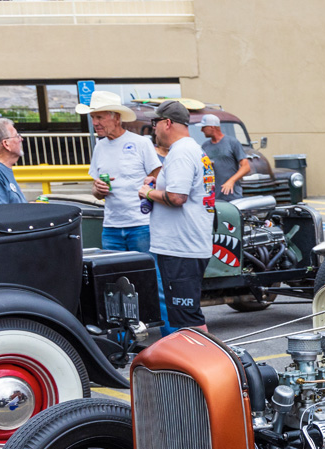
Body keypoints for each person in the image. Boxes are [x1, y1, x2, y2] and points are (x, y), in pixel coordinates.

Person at [138, 100, 215, 332]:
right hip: (186, 245)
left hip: (181, 248)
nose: (154, 128)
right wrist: (158, 182)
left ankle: (204, 363)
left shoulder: (181, 152)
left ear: (167, 123)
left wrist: (148, 192)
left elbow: (177, 197)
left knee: (188, 319)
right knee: (185, 316)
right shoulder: (191, 150)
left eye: (155, 122)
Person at [78, 90, 161, 254]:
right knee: (115, 276)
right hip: (111, 227)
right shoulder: (99, 147)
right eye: (93, 117)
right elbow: (96, 192)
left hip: (141, 224)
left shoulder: (140, 143)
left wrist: (150, 190)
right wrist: (98, 189)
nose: (95, 122)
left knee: (147, 274)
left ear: (116, 117)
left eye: (99, 117)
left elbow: (158, 176)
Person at [199, 113, 250, 199]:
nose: (201, 130)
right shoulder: (205, 146)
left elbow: (246, 167)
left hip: (232, 196)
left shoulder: (232, 142)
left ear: (212, 127)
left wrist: (231, 181)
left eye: (204, 127)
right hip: (213, 197)